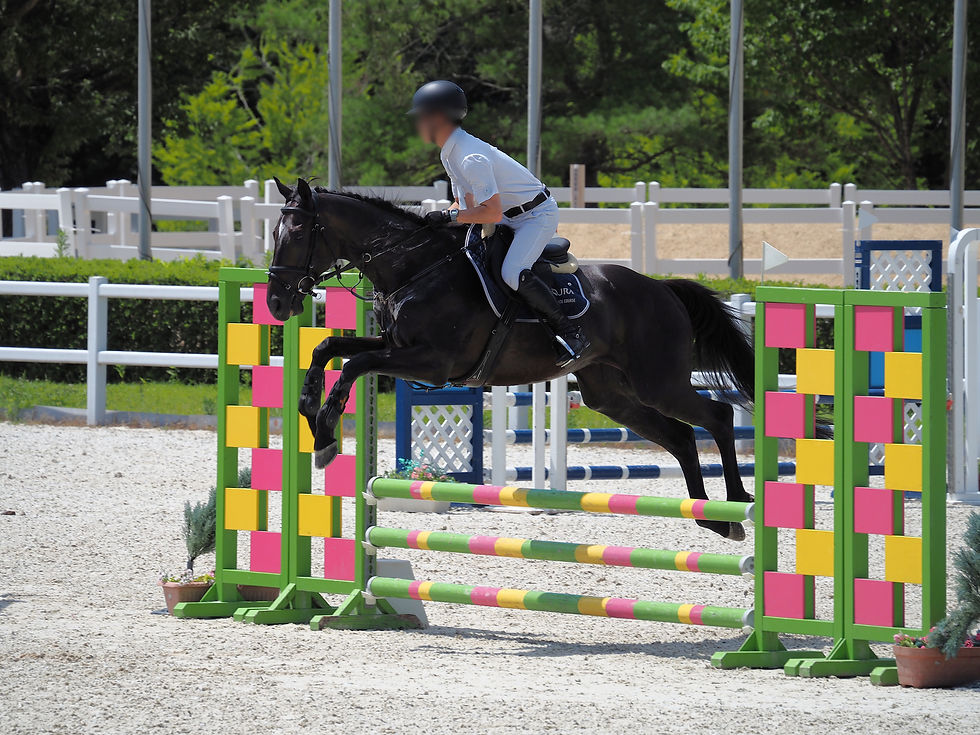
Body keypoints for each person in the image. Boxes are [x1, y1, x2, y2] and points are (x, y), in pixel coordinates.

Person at [408, 79, 589, 366]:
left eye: (421, 117)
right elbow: (464, 205)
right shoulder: (450, 152)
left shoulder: (470, 157)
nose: (417, 124)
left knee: (512, 272)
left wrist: (449, 216)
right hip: (508, 214)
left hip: (535, 216)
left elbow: (488, 213)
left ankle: (571, 333)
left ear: (438, 118)